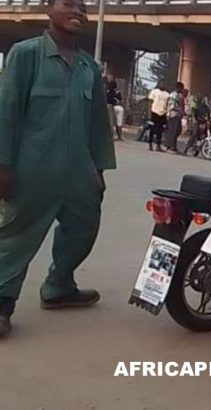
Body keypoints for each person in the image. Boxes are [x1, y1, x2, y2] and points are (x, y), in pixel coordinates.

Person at [0, 0, 116, 337]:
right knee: (15, 238)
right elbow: (6, 113)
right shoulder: (26, 54)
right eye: (69, 4)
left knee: (83, 229)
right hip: (32, 169)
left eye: (84, 7)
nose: (78, 12)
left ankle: (59, 287)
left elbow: (98, 126)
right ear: (48, 9)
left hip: (80, 172)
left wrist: (100, 170)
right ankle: (3, 304)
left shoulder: (88, 68)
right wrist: (3, 166)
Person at [147, 83, 170, 151]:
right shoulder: (154, 92)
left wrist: (167, 114)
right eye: (161, 84)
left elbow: (168, 104)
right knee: (152, 129)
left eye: (164, 84)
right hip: (154, 112)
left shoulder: (167, 94)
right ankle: (150, 144)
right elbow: (150, 102)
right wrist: (149, 113)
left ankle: (158, 145)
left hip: (162, 113)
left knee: (160, 130)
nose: (162, 85)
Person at [164, 81, 185, 154]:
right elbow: (172, 106)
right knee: (173, 131)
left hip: (177, 116)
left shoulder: (179, 95)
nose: (182, 90)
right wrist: (180, 110)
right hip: (173, 115)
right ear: (178, 88)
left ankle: (173, 146)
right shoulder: (173, 95)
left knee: (178, 131)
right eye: (181, 88)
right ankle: (169, 147)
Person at [105, 75, 124, 141]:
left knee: (111, 122)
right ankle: (120, 136)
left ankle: (110, 135)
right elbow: (120, 100)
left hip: (111, 107)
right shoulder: (118, 92)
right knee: (119, 122)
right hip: (119, 108)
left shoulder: (107, 92)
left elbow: (107, 100)